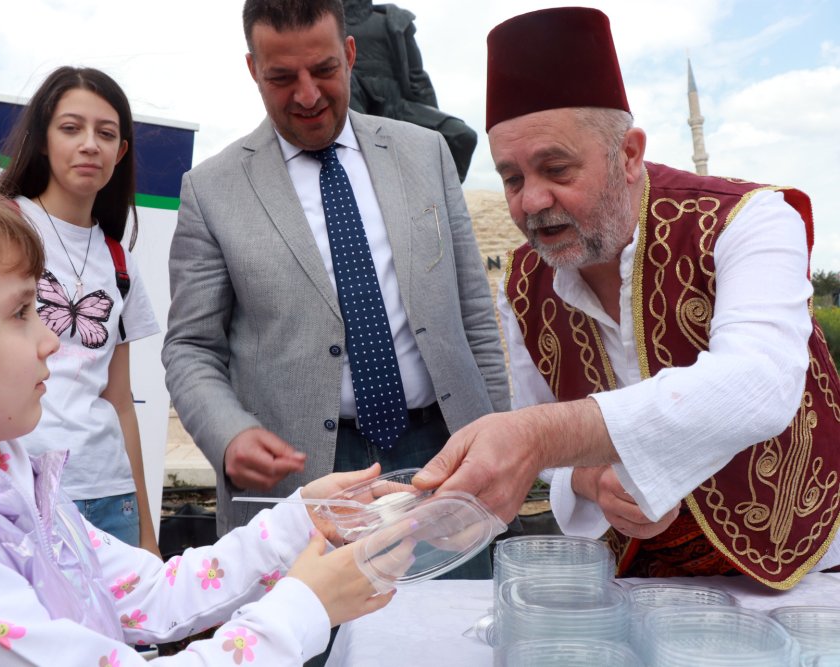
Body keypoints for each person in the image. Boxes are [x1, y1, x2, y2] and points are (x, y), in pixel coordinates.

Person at [0, 142, 395, 664]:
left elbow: (157, 591)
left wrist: (303, 520)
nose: (50, 341)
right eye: (19, 312)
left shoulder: (4, 478)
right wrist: (306, 607)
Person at [413, 6, 840, 588]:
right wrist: (589, 481)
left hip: (809, 566)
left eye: (556, 168)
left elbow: (761, 382)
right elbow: (555, 464)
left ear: (630, 154)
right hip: (646, 588)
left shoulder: (750, 219)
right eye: (511, 178)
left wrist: (538, 435)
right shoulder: (522, 283)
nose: (532, 201)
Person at [162, 0, 509, 575]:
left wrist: (496, 439)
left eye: (323, 70)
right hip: (302, 479)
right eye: (281, 78)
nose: (306, 95)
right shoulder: (211, 191)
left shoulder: (425, 154)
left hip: (444, 456)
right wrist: (229, 435)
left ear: (349, 55)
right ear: (253, 70)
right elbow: (190, 347)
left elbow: (472, 311)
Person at [0, 67, 160, 554]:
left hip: (112, 499)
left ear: (120, 152)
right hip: (23, 491)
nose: (90, 144)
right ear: (43, 139)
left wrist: (147, 533)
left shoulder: (118, 260)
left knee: (120, 633)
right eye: (71, 128)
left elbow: (120, 401)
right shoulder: (1, 227)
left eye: (106, 134)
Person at [342, 0, 478, 182]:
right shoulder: (329, 27)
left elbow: (417, 76)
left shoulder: (394, 21)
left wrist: (432, 125)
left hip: (398, 105)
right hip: (358, 108)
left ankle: (441, 192)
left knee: (463, 136)